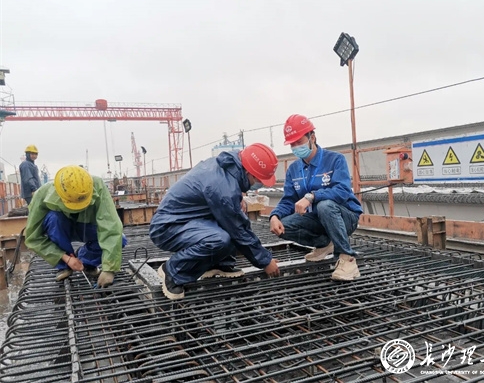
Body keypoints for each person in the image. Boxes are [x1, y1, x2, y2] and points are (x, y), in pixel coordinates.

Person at [149, 143, 281, 300]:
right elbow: (238, 229)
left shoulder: (228, 168)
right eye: (258, 180)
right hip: (167, 227)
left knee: (235, 215)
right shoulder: (223, 186)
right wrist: (265, 261)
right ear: (248, 172)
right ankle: (173, 271)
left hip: (189, 219)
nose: (258, 184)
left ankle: (218, 264)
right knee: (220, 238)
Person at [269, 114, 363, 281]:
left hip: (345, 217)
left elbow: (342, 191)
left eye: (299, 141)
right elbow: (289, 200)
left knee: (324, 205)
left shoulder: (335, 160)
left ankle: (347, 258)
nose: (296, 147)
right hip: (316, 218)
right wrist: (275, 216)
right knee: (283, 226)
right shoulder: (293, 170)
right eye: (292, 144)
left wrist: (312, 196)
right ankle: (324, 244)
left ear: (312, 137)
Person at [24, 165, 126, 287]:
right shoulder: (42, 194)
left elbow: (111, 227)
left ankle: (86, 262)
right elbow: (33, 238)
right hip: (60, 229)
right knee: (54, 218)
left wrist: (109, 269)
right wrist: (65, 258)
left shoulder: (97, 185)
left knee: (120, 239)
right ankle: (65, 266)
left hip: (86, 227)